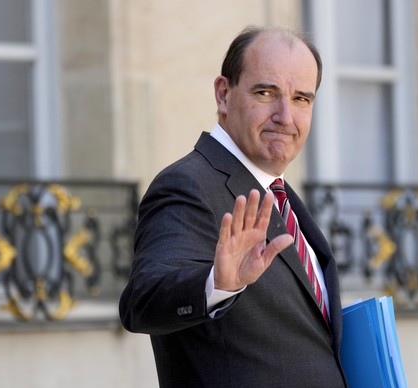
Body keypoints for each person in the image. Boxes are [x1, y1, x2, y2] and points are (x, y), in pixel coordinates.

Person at [119, 25, 347, 387]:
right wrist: (217, 284)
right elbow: (143, 301)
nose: (285, 116)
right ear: (224, 95)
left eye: (302, 99)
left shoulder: (279, 195)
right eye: (265, 92)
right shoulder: (187, 185)